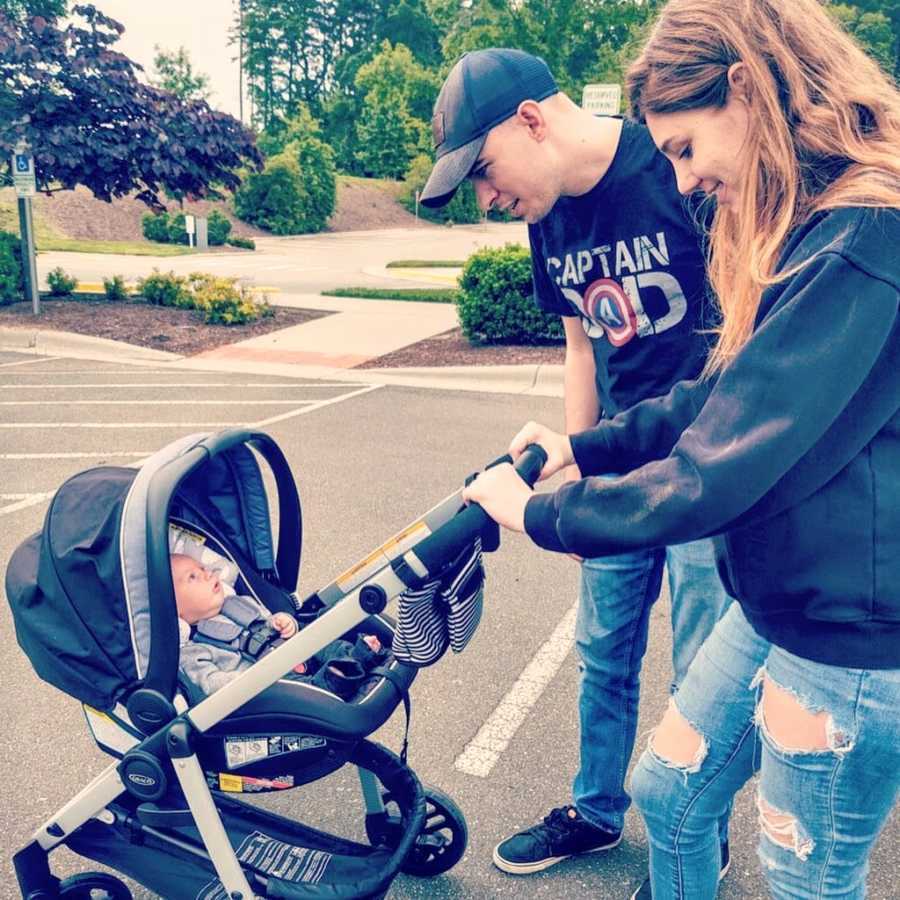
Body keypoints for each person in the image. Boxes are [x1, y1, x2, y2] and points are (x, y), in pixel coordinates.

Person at [462, 1, 900, 896]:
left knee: (806, 878)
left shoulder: (863, 237)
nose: (686, 179)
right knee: (668, 795)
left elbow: (717, 471)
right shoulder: (817, 225)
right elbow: (718, 396)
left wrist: (545, 512)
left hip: (846, 638)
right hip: (778, 601)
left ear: (749, 91)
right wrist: (587, 450)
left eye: (688, 149)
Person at [420, 48, 733, 877]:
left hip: (707, 466)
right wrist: (580, 466)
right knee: (604, 651)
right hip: (612, 467)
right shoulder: (545, 212)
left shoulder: (678, 166)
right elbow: (580, 348)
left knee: (703, 661)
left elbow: (741, 338)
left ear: (531, 119)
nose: (487, 198)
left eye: (483, 170)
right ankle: (596, 810)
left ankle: (697, 826)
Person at [171, 554, 385, 699]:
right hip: (271, 681)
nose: (207, 573)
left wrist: (284, 622)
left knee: (322, 639)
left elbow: (269, 620)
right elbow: (209, 684)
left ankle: (358, 655)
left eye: (202, 568)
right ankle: (338, 678)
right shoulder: (193, 650)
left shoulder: (240, 604)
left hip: (294, 648)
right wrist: (247, 680)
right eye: (193, 576)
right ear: (176, 607)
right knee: (301, 692)